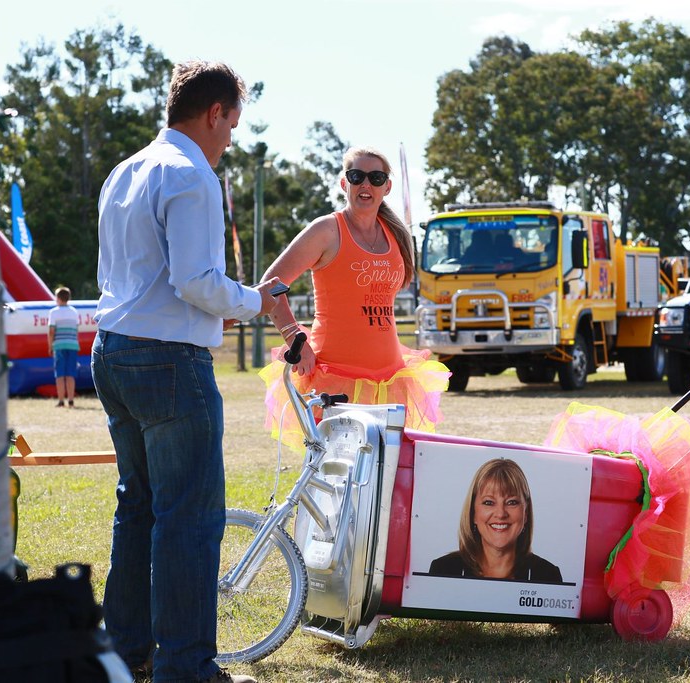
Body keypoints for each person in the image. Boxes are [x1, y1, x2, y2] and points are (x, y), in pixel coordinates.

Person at [91, 60, 282, 683]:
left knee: (138, 509)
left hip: (113, 350)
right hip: (170, 360)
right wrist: (258, 300)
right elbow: (196, 282)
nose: (230, 140)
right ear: (215, 113)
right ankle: (186, 668)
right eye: (232, 124)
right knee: (190, 520)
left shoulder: (126, 170)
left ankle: (125, 654)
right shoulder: (192, 175)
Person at [258, 146, 449, 449]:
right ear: (344, 184)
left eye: (376, 178)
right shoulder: (327, 230)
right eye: (357, 176)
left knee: (382, 482)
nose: (366, 185)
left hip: (390, 381)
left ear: (387, 187)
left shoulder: (396, 235)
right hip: (334, 378)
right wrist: (295, 337)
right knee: (334, 476)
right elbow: (271, 284)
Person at [429, 458, 563, 583]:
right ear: (473, 513)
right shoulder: (443, 570)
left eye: (511, 502)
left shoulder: (548, 575)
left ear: (525, 513)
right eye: (489, 502)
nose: (500, 513)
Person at [47, 285, 80, 408]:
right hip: (72, 345)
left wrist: (50, 346)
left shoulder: (54, 312)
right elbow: (76, 330)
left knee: (60, 374)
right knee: (71, 374)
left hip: (59, 345)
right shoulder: (74, 312)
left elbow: (51, 331)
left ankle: (61, 400)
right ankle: (71, 400)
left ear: (58, 298)